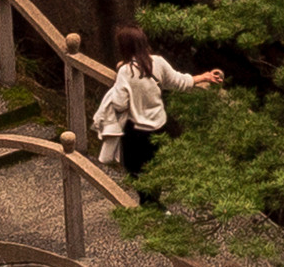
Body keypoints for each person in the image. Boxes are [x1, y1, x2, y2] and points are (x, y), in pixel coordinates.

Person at [89, 24, 219, 184]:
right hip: (158, 126)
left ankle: (151, 206)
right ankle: (154, 204)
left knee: (135, 172)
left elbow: (119, 103)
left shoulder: (125, 71)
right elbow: (179, 81)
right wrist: (203, 77)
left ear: (125, 48)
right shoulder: (159, 62)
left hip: (135, 129)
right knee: (154, 170)